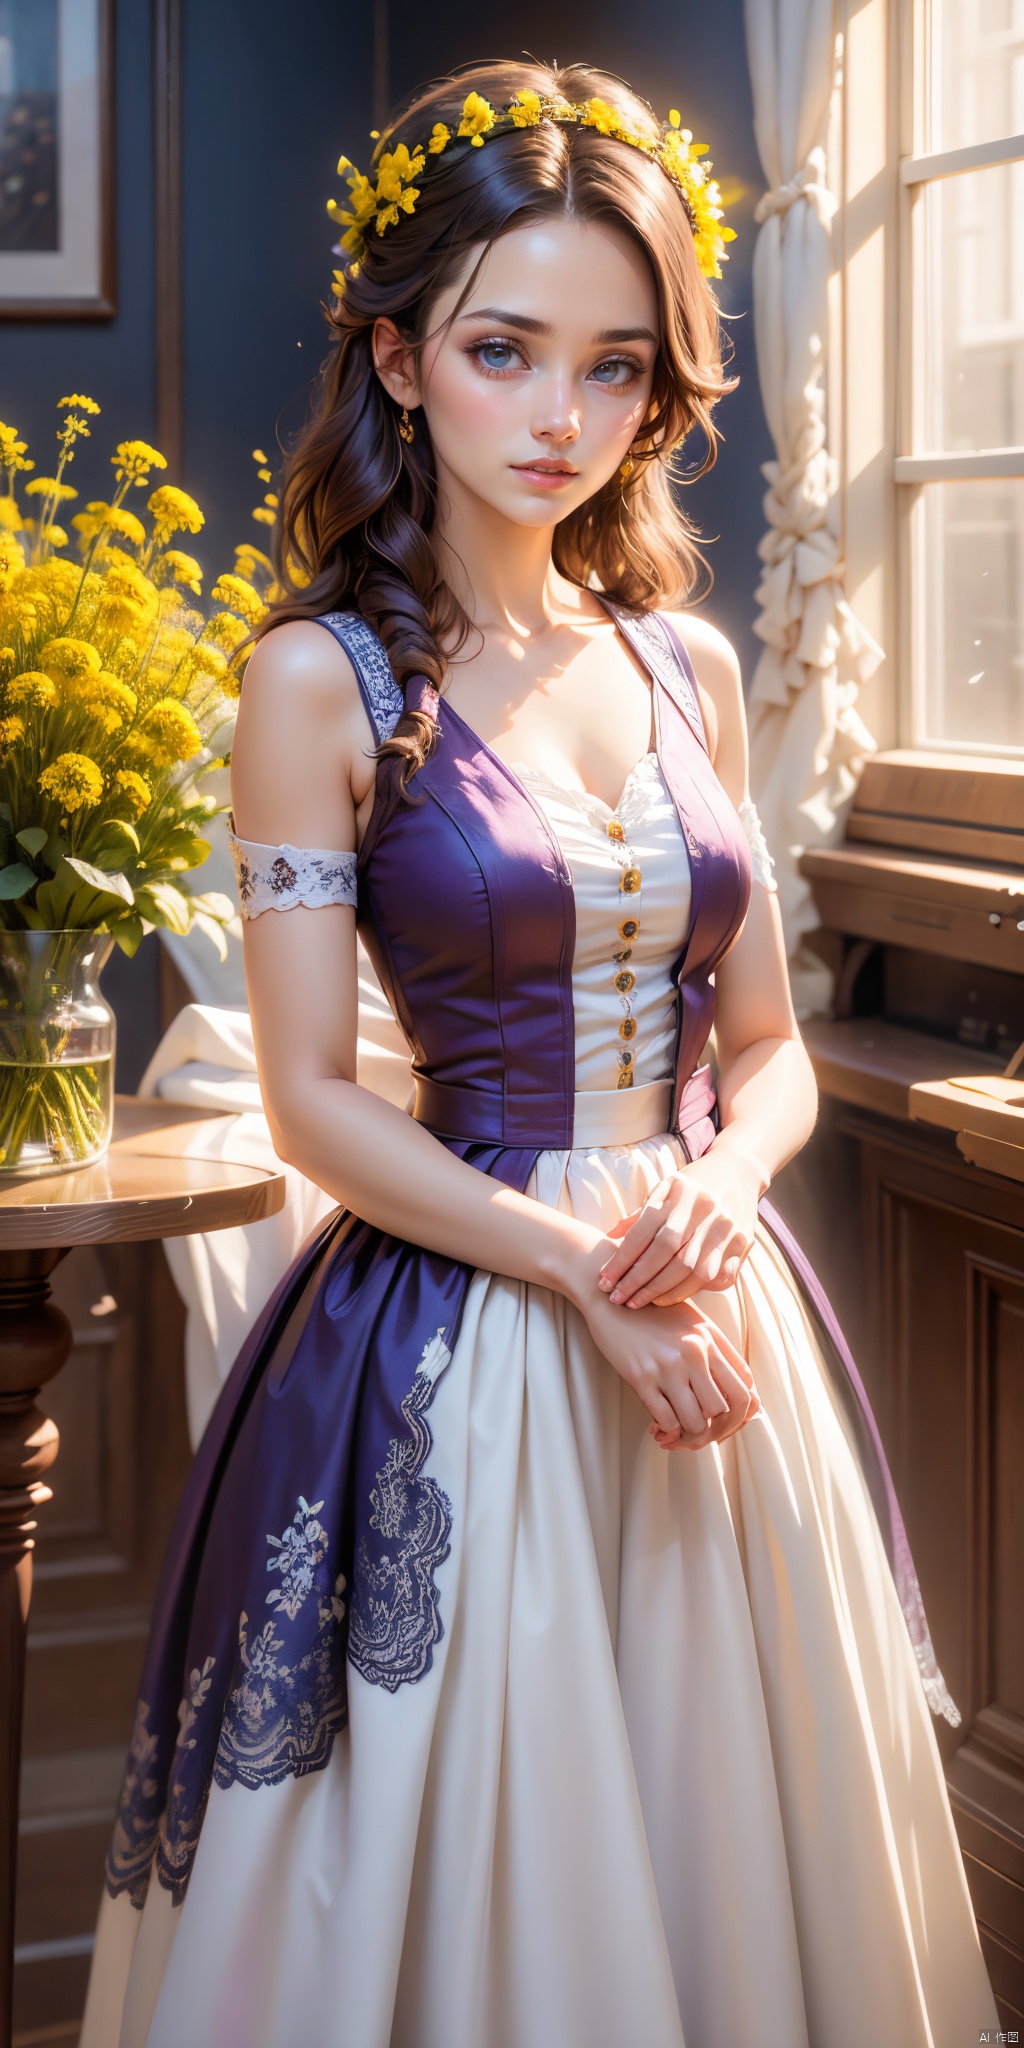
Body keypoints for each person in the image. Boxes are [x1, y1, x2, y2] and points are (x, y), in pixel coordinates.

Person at [81, 59, 998, 2048]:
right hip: (471, 1312)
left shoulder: (684, 660)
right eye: (505, 352)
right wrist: (594, 1273)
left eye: (611, 366)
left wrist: (711, 1193)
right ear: (399, 359)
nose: (560, 418)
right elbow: (318, 1099)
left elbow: (767, 1054)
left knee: (740, 1845)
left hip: (707, 1296)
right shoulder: (316, 680)